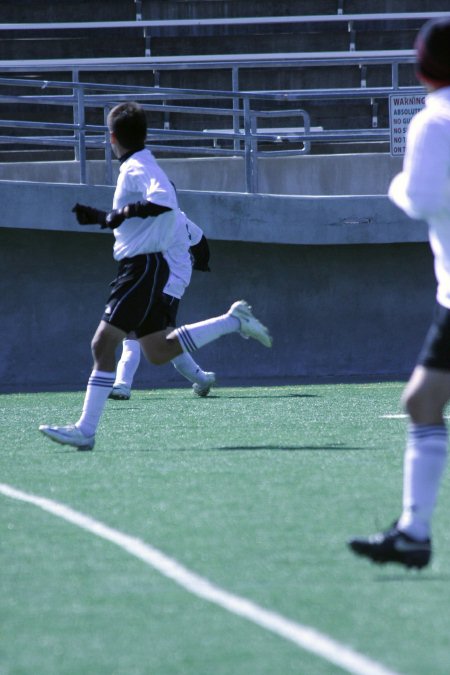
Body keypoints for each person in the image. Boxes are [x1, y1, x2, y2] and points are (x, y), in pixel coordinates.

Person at [39, 101, 272, 451]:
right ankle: (232, 321)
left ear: (112, 137)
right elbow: (154, 212)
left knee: (103, 344)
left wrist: (120, 214)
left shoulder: (135, 167)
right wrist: (106, 217)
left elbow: (162, 201)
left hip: (141, 268)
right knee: (159, 351)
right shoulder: (141, 164)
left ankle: (85, 430)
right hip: (146, 267)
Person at [348, 17, 450, 570]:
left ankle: (414, 531)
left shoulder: (435, 121)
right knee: (422, 400)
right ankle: (413, 532)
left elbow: (417, 198)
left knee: (423, 402)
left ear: (422, 66)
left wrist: (394, 183)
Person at [110, 213, 216, 400]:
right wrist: (201, 263)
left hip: (160, 285)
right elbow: (201, 242)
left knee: (138, 334)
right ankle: (203, 379)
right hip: (168, 286)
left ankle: (123, 385)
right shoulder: (181, 219)